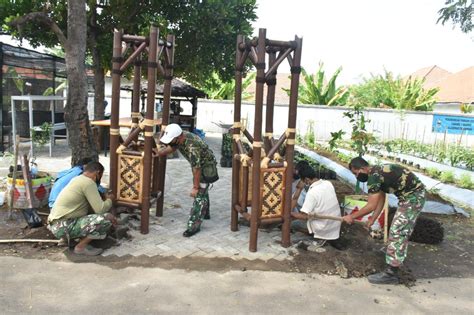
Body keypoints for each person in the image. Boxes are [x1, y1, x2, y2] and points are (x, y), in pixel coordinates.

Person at [342, 157, 426, 284]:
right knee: (397, 230)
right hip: (409, 197)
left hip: (414, 198)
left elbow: (370, 205)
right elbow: (381, 200)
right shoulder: (377, 173)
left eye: (356, 173)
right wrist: (372, 219)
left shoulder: (374, 177)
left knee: (398, 231)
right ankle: (395, 258)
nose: (356, 177)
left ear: (364, 168)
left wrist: (351, 216)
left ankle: (392, 272)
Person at [156, 124, 219, 237]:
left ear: (179, 137)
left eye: (171, 140)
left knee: (199, 192)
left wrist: (195, 187)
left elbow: (197, 169)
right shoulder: (180, 136)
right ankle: (206, 213)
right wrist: (160, 153)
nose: (169, 142)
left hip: (206, 167)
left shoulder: (192, 147)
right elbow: (173, 147)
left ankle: (193, 226)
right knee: (203, 189)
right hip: (200, 165)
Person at [47, 162, 116, 256]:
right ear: (97, 173)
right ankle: (80, 247)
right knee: (104, 221)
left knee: (98, 216)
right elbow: (100, 209)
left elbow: (89, 209)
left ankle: (68, 240)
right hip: (64, 226)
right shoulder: (88, 182)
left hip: (56, 225)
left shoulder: (77, 179)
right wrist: (110, 199)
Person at [290, 164, 342, 247]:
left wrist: (290, 214)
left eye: (302, 180)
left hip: (324, 226)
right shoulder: (328, 183)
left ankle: (318, 237)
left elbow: (304, 216)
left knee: (293, 224)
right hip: (335, 225)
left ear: (306, 179)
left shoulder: (312, 192)